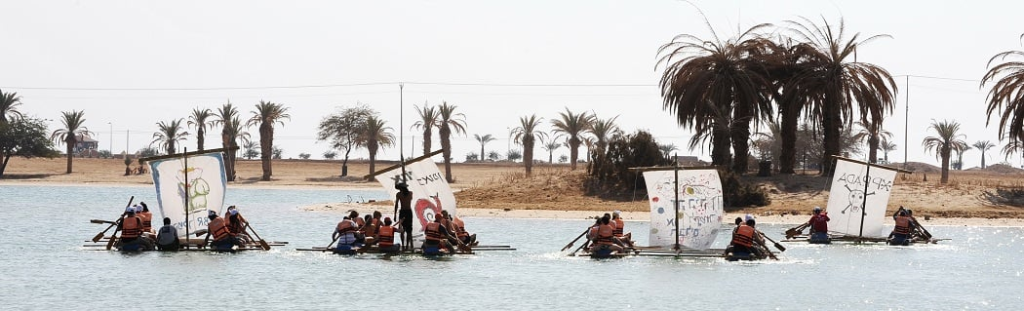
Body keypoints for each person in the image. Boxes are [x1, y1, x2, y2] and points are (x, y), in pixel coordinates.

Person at [393, 182, 414, 251]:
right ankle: (407, 246)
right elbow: (396, 204)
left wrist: (395, 214)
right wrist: (395, 214)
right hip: (408, 212)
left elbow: (396, 205)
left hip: (403, 212)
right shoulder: (410, 193)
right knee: (408, 230)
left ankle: (404, 246)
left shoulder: (399, 194)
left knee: (403, 230)